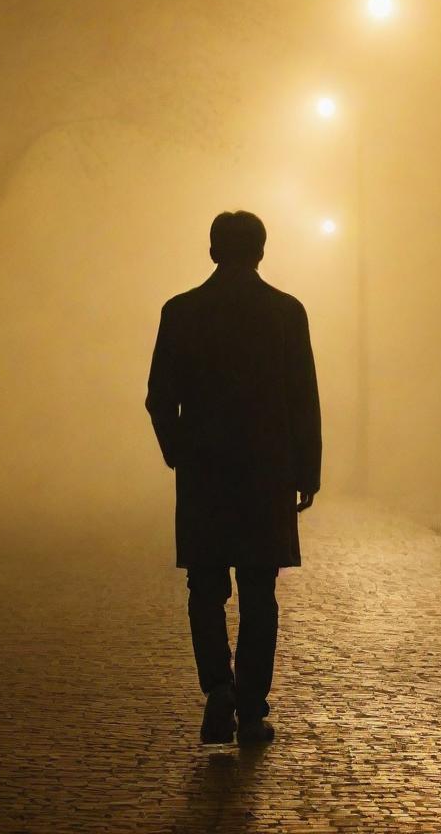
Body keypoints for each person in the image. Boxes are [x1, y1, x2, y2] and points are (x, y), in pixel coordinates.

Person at [146, 210, 321, 745]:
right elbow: (303, 399)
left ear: (213, 250)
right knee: (259, 593)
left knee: (205, 587)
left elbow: (159, 397)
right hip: (265, 473)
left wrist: (179, 452)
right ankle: (250, 706)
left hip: (204, 472)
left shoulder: (181, 312)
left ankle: (217, 690)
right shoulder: (286, 313)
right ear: (262, 251)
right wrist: (305, 469)